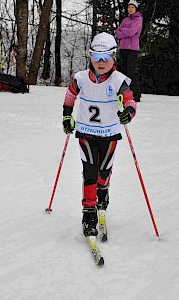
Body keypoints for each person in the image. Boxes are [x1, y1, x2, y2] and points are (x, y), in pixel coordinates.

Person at [62, 32, 137, 239]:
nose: (101, 62)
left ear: (114, 57)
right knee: (89, 173)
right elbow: (69, 96)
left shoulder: (119, 80)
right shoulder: (81, 79)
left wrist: (127, 113)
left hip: (110, 135)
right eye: (96, 57)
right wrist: (67, 117)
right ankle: (88, 213)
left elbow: (130, 101)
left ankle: (103, 190)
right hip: (86, 133)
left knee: (103, 173)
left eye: (106, 58)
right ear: (90, 57)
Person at [115, 0, 143, 102]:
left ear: (136, 9)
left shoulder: (138, 19)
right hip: (123, 48)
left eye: (132, 7)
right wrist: (125, 31)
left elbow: (131, 32)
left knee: (130, 71)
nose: (130, 9)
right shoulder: (125, 20)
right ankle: (123, 93)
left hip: (132, 49)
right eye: (129, 7)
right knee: (122, 71)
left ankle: (136, 95)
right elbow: (117, 33)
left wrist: (124, 31)